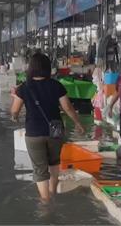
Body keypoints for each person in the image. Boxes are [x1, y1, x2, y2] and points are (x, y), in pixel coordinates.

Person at [11, 53, 85, 202]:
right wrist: (78, 123)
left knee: (39, 169)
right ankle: (53, 193)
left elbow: (14, 111)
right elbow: (68, 108)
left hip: (33, 133)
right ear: (47, 68)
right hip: (55, 131)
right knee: (54, 163)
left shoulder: (24, 88)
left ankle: (45, 202)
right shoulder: (56, 85)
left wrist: (15, 115)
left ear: (30, 68)